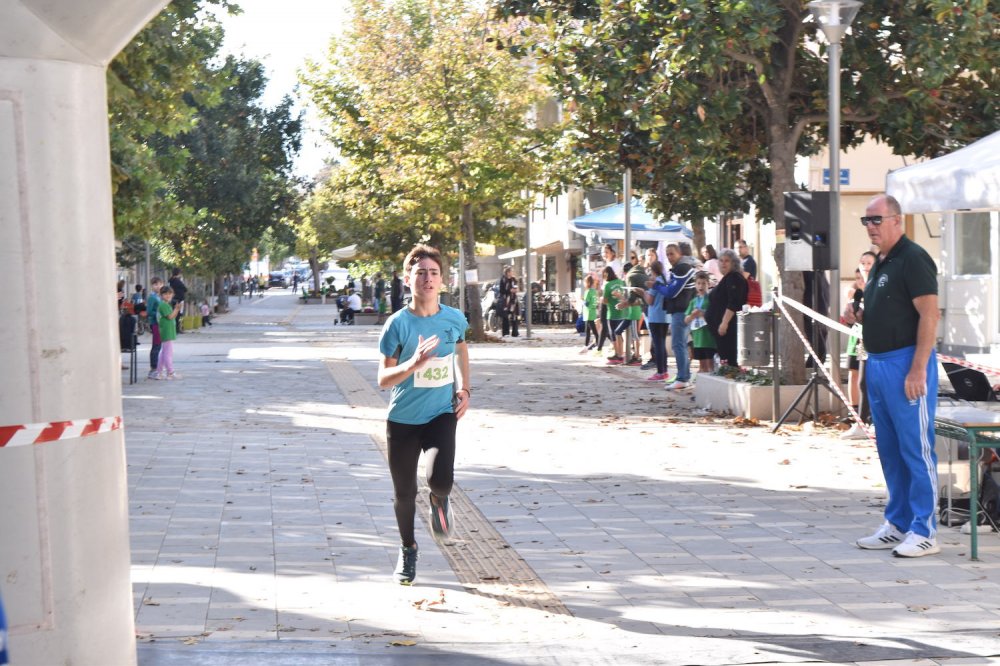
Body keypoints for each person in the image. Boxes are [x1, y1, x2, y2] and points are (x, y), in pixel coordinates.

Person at [848, 193, 940, 558]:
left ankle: (925, 530)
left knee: (914, 448)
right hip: (879, 363)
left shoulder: (913, 258)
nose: (870, 227)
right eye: (866, 221)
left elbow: (929, 316)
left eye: (876, 220)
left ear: (897, 220)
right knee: (888, 450)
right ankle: (898, 523)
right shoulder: (882, 262)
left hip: (906, 365)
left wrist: (918, 367)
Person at [377, 244, 471, 585]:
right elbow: (383, 379)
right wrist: (413, 363)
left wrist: (465, 389)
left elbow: (461, 350)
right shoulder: (397, 324)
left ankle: (439, 500)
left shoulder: (454, 318)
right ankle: (408, 549)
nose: (427, 279)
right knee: (403, 494)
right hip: (403, 419)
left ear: (442, 280)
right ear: (408, 279)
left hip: (441, 413)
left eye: (433, 273)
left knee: (440, 480)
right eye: (420, 273)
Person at [842, 251, 878, 440]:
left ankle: (875, 422)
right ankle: (861, 423)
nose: (865, 266)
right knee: (862, 381)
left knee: (874, 383)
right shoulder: (858, 290)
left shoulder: (877, 285)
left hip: (881, 343)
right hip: (863, 341)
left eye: (869, 262)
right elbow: (851, 320)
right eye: (862, 262)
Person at [661, 243, 697, 390]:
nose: (670, 257)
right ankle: (684, 376)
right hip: (681, 310)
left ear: (679, 254)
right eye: (667, 254)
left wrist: (656, 286)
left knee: (678, 345)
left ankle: (682, 377)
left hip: (681, 311)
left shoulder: (683, 268)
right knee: (680, 344)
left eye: (672, 254)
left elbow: (672, 292)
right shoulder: (680, 268)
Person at [705, 248, 748, 368]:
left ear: (734, 263)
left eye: (727, 261)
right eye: (721, 260)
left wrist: (724, 323)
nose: (723, 263)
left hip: (727, 328)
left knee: (729, 360)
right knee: (725, 359)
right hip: (721, 330)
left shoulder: (734, 278)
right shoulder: (727, 278)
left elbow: (733, 303)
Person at [685, 272, 717, 373]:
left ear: (708, 284)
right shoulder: (693, 301)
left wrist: (703, 313)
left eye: (703, 283)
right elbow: (686, 320)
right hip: (697, 338)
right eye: (698, 283)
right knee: (701, 367)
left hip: (709, 338)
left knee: (710, 366)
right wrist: (692, 316)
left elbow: (715, 316)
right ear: (695, 285)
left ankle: (711, 385)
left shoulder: (711, 300)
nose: (701, 286)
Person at [642, 260, 669, 380]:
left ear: (652, 271)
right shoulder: (664, 281)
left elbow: (650, 300)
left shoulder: (655, 282)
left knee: (658, 345)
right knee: (662, 344)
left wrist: (643, 293)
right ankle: (665, 370)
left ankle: (660, 372)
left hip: (655, 317)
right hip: (665, 316)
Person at [154, 285, 182, 380]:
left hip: (167, 330)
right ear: (161, 295)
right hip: (166, 330)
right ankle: (170, 372)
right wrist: (177, 309)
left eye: (170, 293)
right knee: (168, 353)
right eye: (165, 294)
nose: (168, 295)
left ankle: (159, 372)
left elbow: (171, 316)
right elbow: (170, 316)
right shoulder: (163, 305)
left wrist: (176, 310)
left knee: (163, 353)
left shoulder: (165, 304)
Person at [601, 266, 626, 364]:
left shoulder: (607, 285)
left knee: (613, 335)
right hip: (622, 312)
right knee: (619, 334)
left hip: (611, 313)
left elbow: (605, 300)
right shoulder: (621, 282)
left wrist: (604, 301)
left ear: (606, 274)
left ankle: (617, 354)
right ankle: (621, 354)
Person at [146, 276, 164, 380]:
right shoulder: (152, 297)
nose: (158, 286)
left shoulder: (159, 297)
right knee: (156, 346)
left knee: (159, 345)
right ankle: (153, 369)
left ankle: (157, 368)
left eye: (160, 284)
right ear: (152, 286)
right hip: (155, 323)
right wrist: (158, 313)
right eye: (156, 284)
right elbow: (149, 311)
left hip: (160, 323)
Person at [579, 274, 600, 353]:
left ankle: (598, 346)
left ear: (587, 283)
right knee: (588, 331)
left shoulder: (587, 292)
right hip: (592, 312)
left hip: (588, 313)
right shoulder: (594, 291)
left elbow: (586, 303)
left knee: (593, 331)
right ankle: (586, 346)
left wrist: (581, 300)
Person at [498, 266, 520, 337]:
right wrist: (509, 291)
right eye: (511, 271)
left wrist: (515, 290)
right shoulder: (503, 280)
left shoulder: (514, 279)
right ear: (507, 272)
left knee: (515, 316)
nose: (512, 273)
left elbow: (516, 287)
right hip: (506, 300)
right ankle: (505, 332)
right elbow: (501, 290)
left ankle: (515, 332)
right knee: (505, 316)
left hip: (513, 299)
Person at [168, 268, 188, 333]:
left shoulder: (170, 281)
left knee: (174, 313)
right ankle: (178, 329)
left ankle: (174, 328)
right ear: (179, 273)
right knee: (179, 314)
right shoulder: (178, 281)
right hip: (179, 299)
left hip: (173, 299)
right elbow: (185, 289)